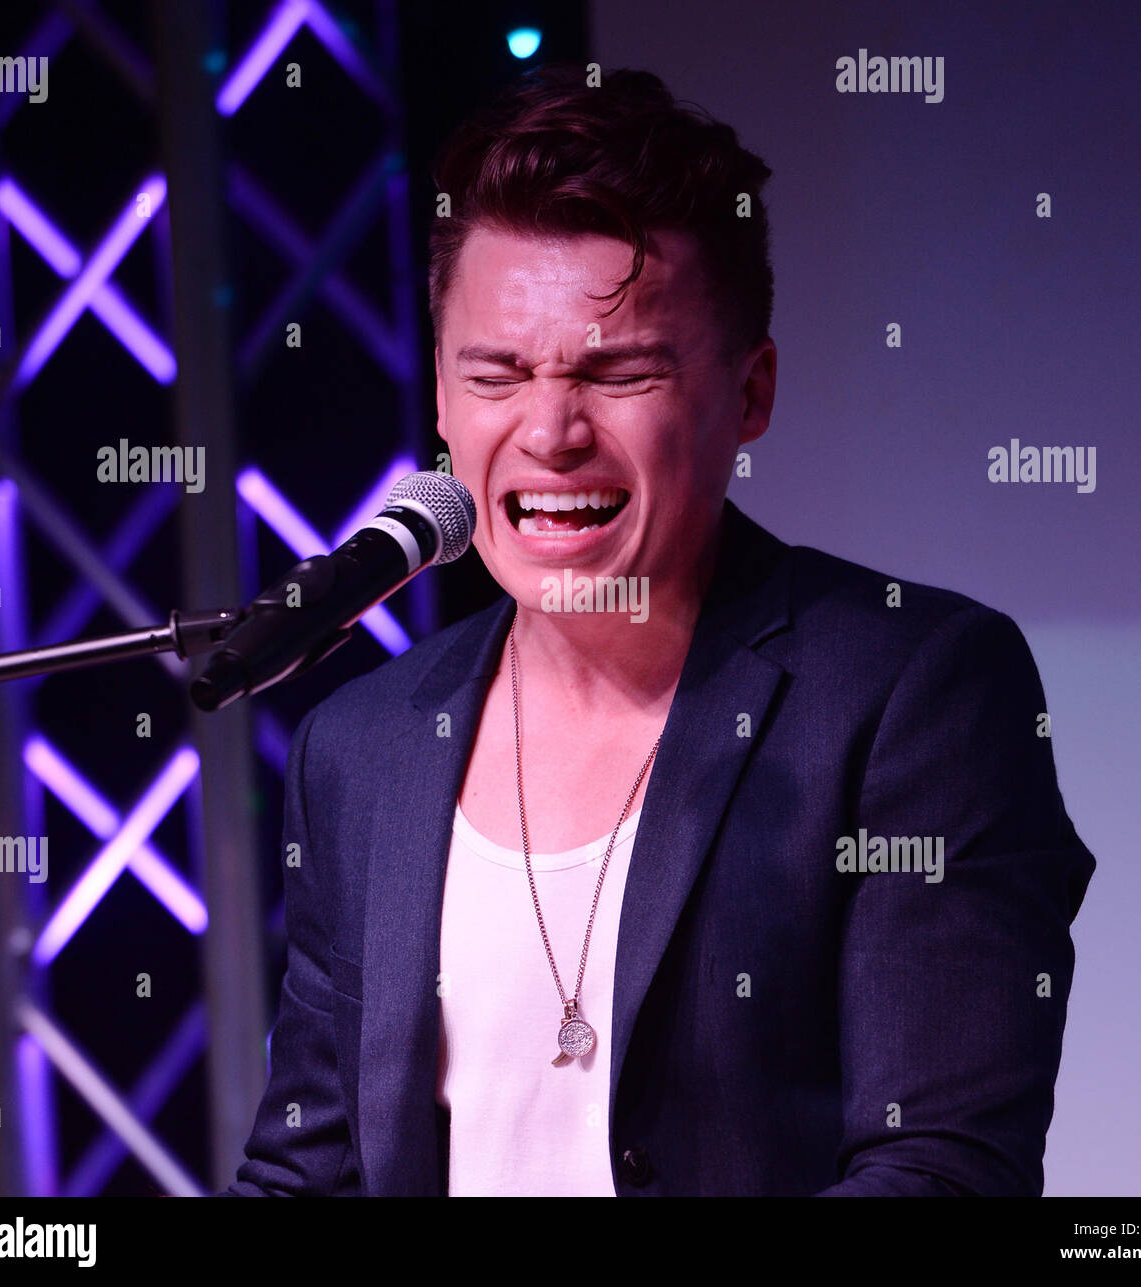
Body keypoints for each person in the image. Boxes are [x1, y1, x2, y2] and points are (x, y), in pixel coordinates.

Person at [223, 64, 1095, 1197]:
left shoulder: (910, 692)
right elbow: (306, 1177)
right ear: (440, 399)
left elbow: (937, 1172)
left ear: (749, 394)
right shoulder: (363, 745)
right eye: (495, 375)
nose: (549, 430)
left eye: (618, 373)